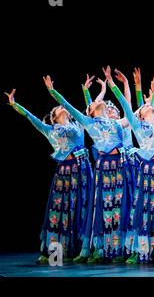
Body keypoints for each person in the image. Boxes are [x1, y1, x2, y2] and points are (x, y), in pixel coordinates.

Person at [43, 74, 133, 263]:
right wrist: (53, 92)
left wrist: (118, 86)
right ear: (90, 112)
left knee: (119, 206)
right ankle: (90, 250)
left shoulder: (115, 123)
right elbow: (68, 105)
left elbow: (130, 113)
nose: (98, 104)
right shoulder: (88, 122)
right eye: (92, 105)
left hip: (117, 167)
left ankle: (117, 249)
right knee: (100, 207)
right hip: (92, 170)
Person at [5, 88, 93, 264]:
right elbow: (30, 117)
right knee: (60, 209)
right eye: (58, 107)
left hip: (82, 169)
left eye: (62, 106)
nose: (62, 107)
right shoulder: (49, 129)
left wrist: (85, 91)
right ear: (54, 116)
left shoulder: (78, 124)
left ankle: (81, 249)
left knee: (81, 205)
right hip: (64, 171)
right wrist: (15, 105)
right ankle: (55, 252)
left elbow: (90, 110)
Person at [107, 69, 154, 264]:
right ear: (140, 115)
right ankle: (144, 248)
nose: (150, 107)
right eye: (146, 107)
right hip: (148, 171)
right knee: (147, 208)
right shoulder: (138, 126)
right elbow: (125, 105)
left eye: (152, 106)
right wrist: (115, 85)